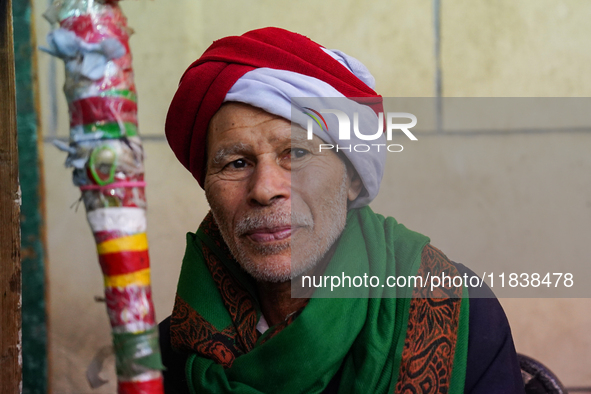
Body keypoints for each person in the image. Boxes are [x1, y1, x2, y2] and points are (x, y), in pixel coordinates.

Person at [160, 27, 525, 394]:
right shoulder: (172, 351)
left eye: (297, 154)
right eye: (236, 163)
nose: (266, 189)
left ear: (352, 178)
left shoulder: (459, 312)